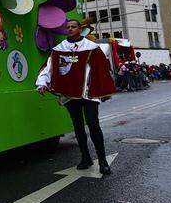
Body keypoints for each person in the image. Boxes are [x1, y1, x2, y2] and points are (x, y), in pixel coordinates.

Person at [36, 19, 117, 174]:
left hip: (88, 94)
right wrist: (42, 83)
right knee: (78, 125)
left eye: (73, 27)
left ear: (80, 29)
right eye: (68, 27)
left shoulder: (92, 47)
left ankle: (102, 161)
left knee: (93, 124)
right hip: (69, 93)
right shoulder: (60, 49)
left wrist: (102, 89)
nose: (70, 29)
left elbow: (102, 70)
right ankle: (85, 157)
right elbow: (49, 67)